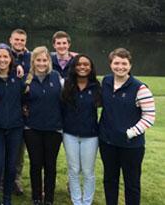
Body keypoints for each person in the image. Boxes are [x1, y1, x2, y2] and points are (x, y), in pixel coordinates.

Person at [99, 48, 155, 205]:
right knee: (110, 180)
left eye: (124, 63)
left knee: (132, 183)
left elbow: (149, 116)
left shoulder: (140, 88)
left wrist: (130, 133)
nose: (120, 67)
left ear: (130, 66)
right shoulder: (106, 81)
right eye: (116, 63)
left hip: (131, 146)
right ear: (110, 64)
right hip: (107, 143)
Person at [23, 46, 64, 205]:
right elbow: (22, 101)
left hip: (53, 128)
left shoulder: (56, 77)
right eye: (38, 60)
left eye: (44, 60)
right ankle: (36, 197)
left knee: (50, 165)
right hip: (32, 128)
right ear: (33, 61)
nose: (41, 63)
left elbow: (64, 101)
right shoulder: (27, 79)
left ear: (49, 61)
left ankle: (49, 198)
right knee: (35, 164)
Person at [0, 44, 25, 205]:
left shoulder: (18, 77)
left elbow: (26, 96)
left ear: (11, 59)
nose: (2, 60)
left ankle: (7, 198)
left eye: (5, 57)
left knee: (11, 167)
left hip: (15, 128)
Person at [61, 54, 101, 205]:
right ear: (74, 67)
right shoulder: (66, 85)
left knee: (88, 172)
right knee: (73, 169)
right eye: (79, 64)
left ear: (91, 68)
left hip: (90, 135)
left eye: (86, 64)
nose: (82, 67)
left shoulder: (97, 87)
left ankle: (87, 201)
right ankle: (77, 201)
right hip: (69, 134)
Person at [8, 29, 30, 195]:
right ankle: (1, 180)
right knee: (2, 148)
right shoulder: (2, 53)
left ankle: (15, 180)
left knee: (19, 150)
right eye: (16, 39)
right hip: (6, 105)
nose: (19, 42)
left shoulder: (30, 57)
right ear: (10, 40)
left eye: (22, 40)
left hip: (25, 108)